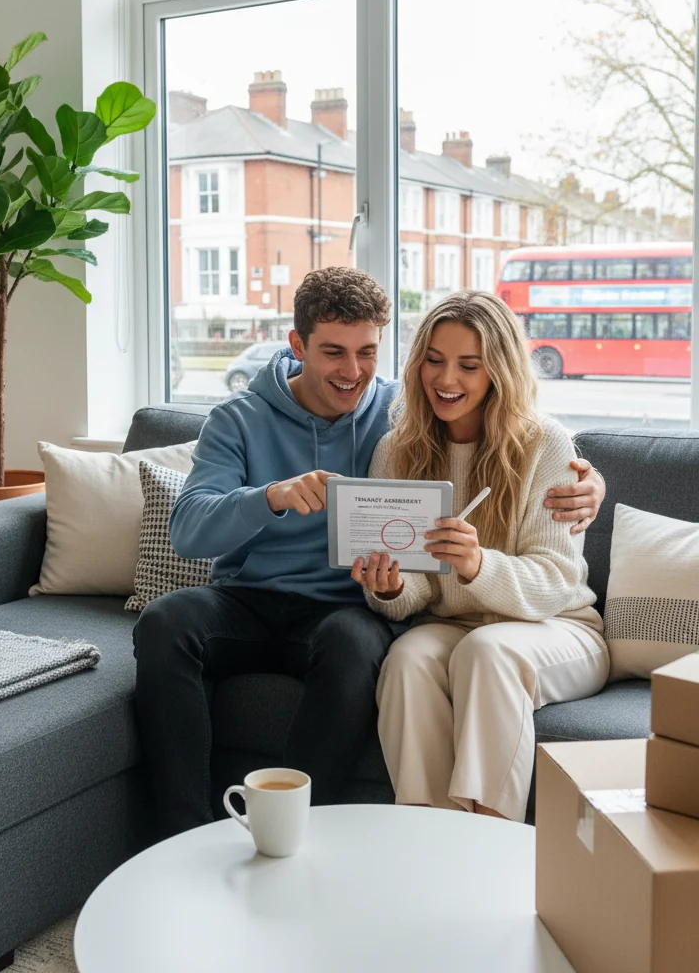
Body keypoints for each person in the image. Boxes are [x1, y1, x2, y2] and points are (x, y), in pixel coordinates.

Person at [133, 267, 606, 837]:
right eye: (333, 352)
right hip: (248, 599)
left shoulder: (400, 416)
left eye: (367, 353)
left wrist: (592, 485)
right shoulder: (246, 420)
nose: (352, 371)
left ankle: (298, 832)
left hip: (342, 609)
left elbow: (516, 441)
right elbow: (187, 531)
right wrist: (272, 498)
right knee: (164, 623)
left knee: (360, 645)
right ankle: (181, 834)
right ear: (298, 346)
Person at [352, 290, 609, 823]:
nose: (447, 380)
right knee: (406, 659)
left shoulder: (546, 445)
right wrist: (392, 588)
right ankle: (425, 830)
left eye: (469, 366)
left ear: (499, 371)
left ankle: (492, 837)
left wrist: (477, 565)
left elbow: (558, 582)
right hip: (456, 625)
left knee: (486, 652)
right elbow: (417, 594)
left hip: (558, 627)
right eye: (435, 361)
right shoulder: (397, 450)